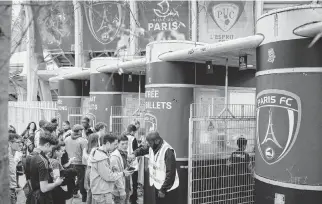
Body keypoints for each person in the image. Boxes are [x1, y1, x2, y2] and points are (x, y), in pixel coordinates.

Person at [128, 131, 179, 204]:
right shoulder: (153, 146)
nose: (149, 145)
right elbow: (142, 149)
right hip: (158, 186)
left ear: (157, 141)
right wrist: (134, 154)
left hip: (168, 189)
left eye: (150, 143)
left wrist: (163, 190)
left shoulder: (168, 151)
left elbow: (170, 173)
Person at [89, 133, 133, 204]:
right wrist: (123, 173)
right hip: (102, 193)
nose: (116, 146)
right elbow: (108, 176)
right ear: (108, 143)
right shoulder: (101, 158)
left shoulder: (102, 154)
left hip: (101, 191)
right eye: (115, 144)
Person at [25, 132, 63, 204]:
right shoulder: (42, 160)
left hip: (33, 196)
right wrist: (57, 183)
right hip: (42, 198)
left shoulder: (29, 156)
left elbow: (29, 180)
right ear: (47, 145)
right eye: (52, 148)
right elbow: (44, 188)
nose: (51, 151)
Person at [64, 124, 88, 202]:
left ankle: (72, 194)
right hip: (79, 164)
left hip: (69, 163)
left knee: (70, 180)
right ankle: (84, 197)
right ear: (80, 131)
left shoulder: (66, 139)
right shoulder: (83, 140)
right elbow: (85, 154)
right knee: (81, 180)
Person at [227, 137, 252, 203]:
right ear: (244, 146)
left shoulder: (233, 153)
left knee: (235, 194)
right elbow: (249, 167)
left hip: (234, 178)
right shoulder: (246, 155)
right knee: (242, 195)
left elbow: (228, 164)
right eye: (245, 145)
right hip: (243, 178)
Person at [111, 135, 132, 204]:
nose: (125, 146)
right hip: (119, 190)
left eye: (126, 143)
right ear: (117, 144)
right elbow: (116, 175)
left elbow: (124, 170)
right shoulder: (115, 156)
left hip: (126, 185)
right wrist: (121, 191)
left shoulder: (124, 153)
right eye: (122, 144)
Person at [124, 124, 139, 204]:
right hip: (133, 163)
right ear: (133, 131)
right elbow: (136, 151)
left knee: (125, 183)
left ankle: (125, 199)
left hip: (125, 162)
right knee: (134, 183)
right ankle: (133, 200)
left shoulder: (123, 137)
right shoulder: (133, 139)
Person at [83, 133, 100, 204]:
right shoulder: (96, 149)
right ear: (96, 140)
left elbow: (85, 160)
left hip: (88, 169)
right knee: (95, 191)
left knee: (89, 191)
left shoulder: (86, 149)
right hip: (94, 170)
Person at [8, 133, 23, 204]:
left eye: (21, 142)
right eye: (18, 142)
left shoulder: (14, 155)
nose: (20, 144)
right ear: (10, 143)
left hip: (12, 190)